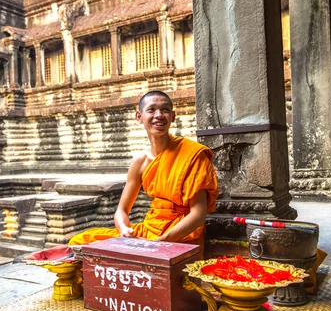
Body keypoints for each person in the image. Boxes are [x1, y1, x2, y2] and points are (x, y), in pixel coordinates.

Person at [68, 91, 219, 249]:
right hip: (150, 230)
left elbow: (198, 214)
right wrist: (124, 230)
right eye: (151, 110)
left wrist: (161, 242)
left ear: (173, 116)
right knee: (80, 242)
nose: (159, 115)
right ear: (139, 117)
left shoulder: (191, 154)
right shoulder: (140, 162)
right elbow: (122, 210)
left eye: (165, 110)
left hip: (181, 235)